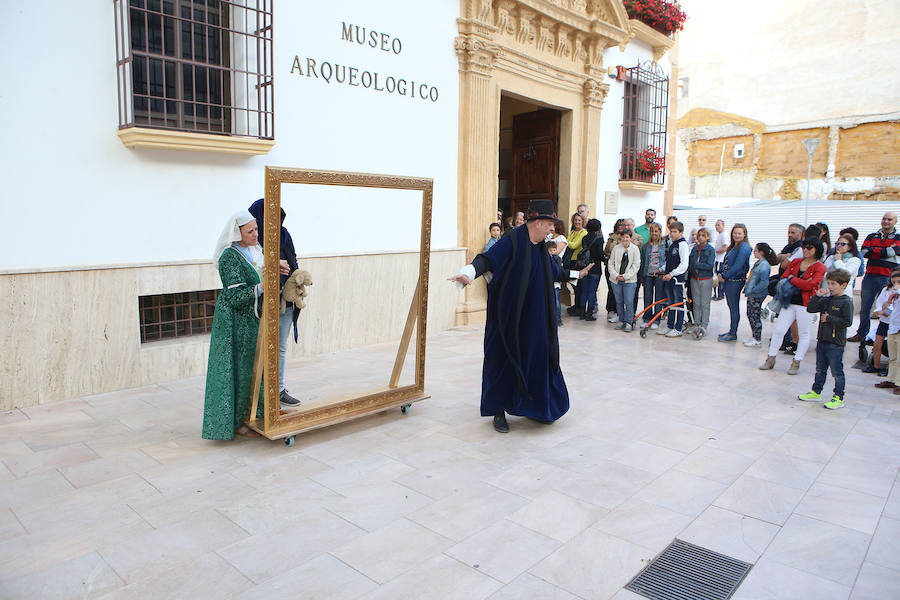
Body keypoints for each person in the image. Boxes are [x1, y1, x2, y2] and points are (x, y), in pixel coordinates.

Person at [448, 199, 593, 433]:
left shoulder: (541, 248)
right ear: (536, 222)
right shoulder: (512, 241)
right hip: (509, 320)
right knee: (503, 361)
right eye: (549, 224)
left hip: (536, 321)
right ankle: (498, 411)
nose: (552, 229)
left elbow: (555, 272)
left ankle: (537, 407)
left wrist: (577, 273)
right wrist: (468, 272)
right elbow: (487, 259)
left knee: (539, 359)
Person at [202, 210, 266, 440]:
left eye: (256, 229)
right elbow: (234, 296)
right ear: (236, 233)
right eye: (250, 231)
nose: (255, 234)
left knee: (252, 367)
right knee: (237, 369)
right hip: (233, 323)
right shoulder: (229, 257)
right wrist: (259, 288)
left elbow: (258, 276)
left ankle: (254, 414)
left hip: (251, 320)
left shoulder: (253, 251)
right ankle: (237, 421)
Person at [248, 199, 302, 407]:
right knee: (259, 347)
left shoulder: (284, 234)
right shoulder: (250, 242)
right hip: (260, 301)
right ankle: (260, 396)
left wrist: (297, 281)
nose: (274, 222)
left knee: (279, 346)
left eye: (277, 216)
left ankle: (278, 390)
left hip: (284, 299)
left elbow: (293, 260)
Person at [759, 238, 826, 374]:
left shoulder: (820, 267)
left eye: (810, 248)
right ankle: (771, 358)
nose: (806, 250)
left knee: (804, 333)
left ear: (817, 250)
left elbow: (811, 284)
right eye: (804, 247)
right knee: (779, 330)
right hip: (788, 301)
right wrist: (799, 281)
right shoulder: (796, 262)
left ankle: (797, 361)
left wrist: (793, 279)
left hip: (806, 304)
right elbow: (783, 277)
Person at [797, 270, 854, 409]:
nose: (830, 286)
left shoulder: (846, 302)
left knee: (836, 371)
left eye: (833, 284)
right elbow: (811, 308)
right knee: (820, 369)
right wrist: (817, 297)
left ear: (843, 285)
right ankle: (816, 392)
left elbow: (847, 322)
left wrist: (829, 319)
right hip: (822, 340)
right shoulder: (827, 299)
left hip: (835, 343)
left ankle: (838, 397)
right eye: (828, 283)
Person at [849, 212, 900, 342]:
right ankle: (862, 334)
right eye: (884, 219)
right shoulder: (871, 236)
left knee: (889, 307)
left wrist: (875, 250)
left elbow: (893, 252)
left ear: (895, 221)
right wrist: (885, 250)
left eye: (890, 219)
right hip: (870, 276)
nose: (886, 221)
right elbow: (865, 252)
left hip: (890, 279)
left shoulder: (899, 237)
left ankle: (884, 336)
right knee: (865, 308)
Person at [717, 224, 752, 342]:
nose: (736, 235)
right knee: (731, 307)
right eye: (735, 233)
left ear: (744, 234)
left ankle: (733, 333)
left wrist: (724, 276)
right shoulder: (734, 246)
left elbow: (738, 265)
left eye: (739, 233)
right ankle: (731, 331)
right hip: (729, 280)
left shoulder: (744, 247)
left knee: (734, 308)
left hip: (735, 281)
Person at [658, 221, 689, 337]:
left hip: (677, 279)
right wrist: (662, 269)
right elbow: (670, 261)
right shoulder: (673, 244)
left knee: (678, 303)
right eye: (671, 231)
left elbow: (683, 264)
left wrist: (672, 274)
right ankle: (670, 325)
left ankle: (678, 327)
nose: (672, 234)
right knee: (670, 303)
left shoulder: (682, 245)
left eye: (675, 232)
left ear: (680, 232)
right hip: (669, 278)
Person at [743, 243, 778, 347]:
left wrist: (753, 290)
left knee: (755, 315)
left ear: (761, 252)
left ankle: (757, 338)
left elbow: (764, 282)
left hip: (757, 295)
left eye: (756, 250)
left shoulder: (764, 266)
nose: (754, 252)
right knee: (750, 314)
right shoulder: (759, 263)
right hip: (753, 293)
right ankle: (754, 335)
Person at [865, 273, 898, 377]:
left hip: (894, 323)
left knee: (892, 347)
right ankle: (876, 365)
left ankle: (889, 369)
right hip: (884, 321)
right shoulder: (886, 290)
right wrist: (879, 311)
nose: (895, 284)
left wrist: (887, 311)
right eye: (893, 280)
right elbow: (880, 303)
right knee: (877, 344)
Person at [609, 229, 641, 331]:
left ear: (630, 238)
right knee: (619, 301)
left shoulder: (635, 249)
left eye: (627, 237)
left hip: (629, 280)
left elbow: (636, 265)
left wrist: (626, 276)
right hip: (616, 280)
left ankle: (629, 322)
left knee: (628, 301)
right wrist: (616, 275)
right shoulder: (616, 248)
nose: (625, 239)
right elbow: (611, 263)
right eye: (623, 237)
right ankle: (622, 321)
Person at [874, 270, 900, 390]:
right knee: (893, 356)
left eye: (899, 282)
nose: (896, 284)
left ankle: (898, 383)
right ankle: (891, 379)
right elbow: (888, 309)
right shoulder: (893, 295)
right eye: (894, 282)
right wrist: (888, 301)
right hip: (892, 327)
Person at [688, 227, 716, 336]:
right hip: (694, 278)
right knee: (696, 303)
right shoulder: (694, 249)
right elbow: (690, 262)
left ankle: (704, 325)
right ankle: (696, 323)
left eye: (703, 235)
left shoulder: (710, 249)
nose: (700, 237)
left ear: (708, 237)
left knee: (705, 303)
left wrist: (697, 265)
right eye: (699, 235)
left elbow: (709, 265)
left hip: (705, 279)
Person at [576, 219, 605, 321]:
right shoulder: (599, 239)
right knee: (592, 291)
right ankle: (589, 313)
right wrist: (606, 259)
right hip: (595, 267)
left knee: (584, 290)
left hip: (584, 266)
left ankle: (582, 312)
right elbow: (600, 255)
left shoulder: (584, 238)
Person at [640, 223, 668, 330]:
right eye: (652, 231)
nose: (654, 233)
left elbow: (667, 260)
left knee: (658, 297)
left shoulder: (665, 244)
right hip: (648, 274)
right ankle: (647, 318)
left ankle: (656, 319)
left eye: (656, 231)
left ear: (660, 232)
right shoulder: (646, 246)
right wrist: (642, 276)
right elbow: (643, 261)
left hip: (660, 275)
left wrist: (662, 270)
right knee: (647, 297)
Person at [821, 234, 861, 302]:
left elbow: (845, 274)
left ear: (849, 247)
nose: (839, 246)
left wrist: (838, 261)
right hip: (827, 292)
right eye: (837, 244)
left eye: (842, 244)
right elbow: (823, 273)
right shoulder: (831, 258)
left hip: (843, 295)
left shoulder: (854, 260)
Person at [602, 219, 626, 322]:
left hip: (621, 267)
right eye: (618, 225)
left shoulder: (626, 238)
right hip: (610, 266)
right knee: (611, 289)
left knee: (619, 290)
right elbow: (606, 250)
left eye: (622, 225)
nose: (620, 226)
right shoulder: (611, 237)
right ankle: (610, 309)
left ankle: (618, 310)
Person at [712, 219, 728, 300]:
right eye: (716, 225)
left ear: (723, 226)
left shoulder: (724, 235)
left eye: (719, 225)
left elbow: (725, 247)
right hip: (718, 259)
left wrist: (715, 251)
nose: (717, 227)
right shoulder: (720, 235)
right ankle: (719, 294)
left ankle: (718, 294)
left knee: (718, 277)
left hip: (720, 259)